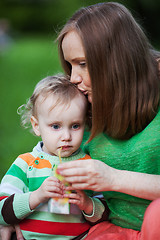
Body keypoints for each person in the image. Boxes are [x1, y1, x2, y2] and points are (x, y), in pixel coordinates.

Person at [55, 2, 160, 239]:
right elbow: (42, 162)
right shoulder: (84, 107)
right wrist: (13, 216)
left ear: (117, 60)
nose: (73, 78)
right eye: (70, 65)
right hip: (113, 230)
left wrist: (113, 178)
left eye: (83, 64)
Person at [0, 75, 107, 240]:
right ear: (37, 126)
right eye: (56, 126)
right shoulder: (25, 163)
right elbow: (2, 211)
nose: (66, 136)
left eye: (75, 126)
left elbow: (106, 213)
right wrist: (37, 196)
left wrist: (88, 204)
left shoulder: (88, 165)